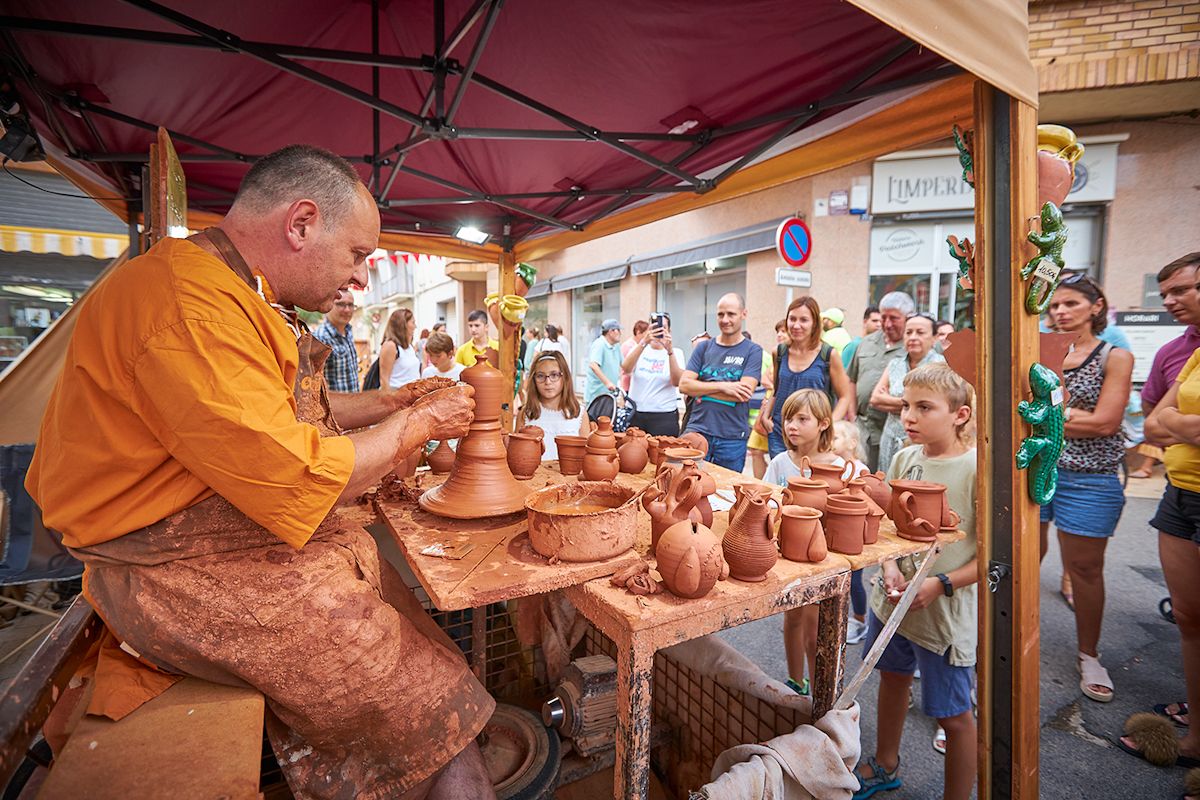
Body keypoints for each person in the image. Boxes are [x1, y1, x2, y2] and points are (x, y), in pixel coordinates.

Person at [25, 144, 495, 798]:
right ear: (300, 224)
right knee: (401, 689)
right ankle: (434, 758)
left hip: (224, 537)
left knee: (385, 590)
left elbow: (291, 415)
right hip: (165, 567)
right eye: (358, 255)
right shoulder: (185, 305)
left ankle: (426, 747)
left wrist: (389, 401)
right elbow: (301, 472)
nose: (361, 278)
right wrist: (417, 425)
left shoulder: (233, 287)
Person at [854, 364, 977, 800]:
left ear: (960, 414)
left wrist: (940, 584)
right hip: (893, 603)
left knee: (954, 714)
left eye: (924, 407)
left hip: (942, 616)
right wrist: (888, 567)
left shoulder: (975, 469)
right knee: (892, 677)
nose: (909, 416)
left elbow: (993, 558)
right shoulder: (905, 458)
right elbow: (890, 529)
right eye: (906, 406)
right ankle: (885, 763)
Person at [1038, 273, 1133, 704]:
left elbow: (1107, 422)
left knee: (1085, 570)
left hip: (1090, 479)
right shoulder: (1038, 351)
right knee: (1019, 561)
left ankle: (1089, 654)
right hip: (1036, 470)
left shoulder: (1115, 356)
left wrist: (1049, 417)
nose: (1059, 312)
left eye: (1071, 304)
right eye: (1055, 305)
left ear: (1096, 307)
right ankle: (1004, 642)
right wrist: (1072, 417)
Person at [1139, 317, 1200, 771]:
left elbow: (1169, 422)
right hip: (1180, 490)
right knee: (1189, 616)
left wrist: (1179, 422)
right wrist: (1185, 425)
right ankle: (1196, 734)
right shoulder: (1194, 354)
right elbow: (1155, 425)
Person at [763, 389, 843, 692]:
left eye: (801, 419)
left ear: (823, 424)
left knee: (815, 631)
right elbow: (769, 502)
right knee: (792, 620)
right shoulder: (781, 462)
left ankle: (822, 690)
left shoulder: (838, 465)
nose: (791, 425)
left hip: (820, 560)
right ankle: (796, 681)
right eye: (787, 418)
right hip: (788, 557)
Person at [757, 296, 853, 460]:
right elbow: (778, 389)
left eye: (804, 320)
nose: (796, 325)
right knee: (781, 481)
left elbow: (845, 396)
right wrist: (766, 416)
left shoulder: (828, 355)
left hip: (813, 436)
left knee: (809, 482)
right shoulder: (779, 352)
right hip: (781, 431)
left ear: (815, 323)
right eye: (792, 319)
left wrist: (828, 425)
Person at [679, 293, 763, 472]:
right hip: (697, 430)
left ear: (743, 314)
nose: (725, 319)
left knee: (725, 494)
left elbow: (744, 393)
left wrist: (700, 388)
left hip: (732, 437)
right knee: (686, 489)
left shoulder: (752, 350)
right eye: (720, 314)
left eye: (731, 314)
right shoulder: (704, 347)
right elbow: (684, 386)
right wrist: (725, 386)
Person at [1136, 253, 1200, 479]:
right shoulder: (1170, 352)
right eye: (1164, 295)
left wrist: (1174, 423)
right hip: (1179, 487)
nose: (1167, 302)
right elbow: (1152, 428)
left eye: (1180, 290)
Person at [870, 313, 945, 475]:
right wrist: (917, 404)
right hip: (891, 437)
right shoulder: (895, 364)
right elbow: (875, 399)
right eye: (909, 332)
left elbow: (937, 403)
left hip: (923, 440)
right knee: (887, 485)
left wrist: (890, 400)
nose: (913, 337)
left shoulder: (941, 367)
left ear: (934, 338)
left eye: (920, 332)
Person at [848, 292, 915, 470]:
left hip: (894, 431)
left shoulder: (914, 346)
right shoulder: (866, 342)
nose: (887, 324)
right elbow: (852, 380)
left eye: (894, 318)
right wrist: (852, 415)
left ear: (908, 317)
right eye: (883, 317)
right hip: (862, 428)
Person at [833, 419, 871, 645]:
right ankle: (843, 620)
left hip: (857, 534)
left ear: (852, 442)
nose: (831, 443)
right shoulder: (835, 465)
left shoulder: (860, 470)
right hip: (842, 531)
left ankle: (860, 620)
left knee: (856, 581)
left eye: (836, 438)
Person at [517, 351, 589, 458]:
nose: (548, 382)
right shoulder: (526, 414)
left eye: (554, 375)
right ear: (533, 379)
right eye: (540, 376)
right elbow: (517, 453)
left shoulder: (579, 414)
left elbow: (587, 455)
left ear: (564, 377)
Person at [624, 315, 684, 437]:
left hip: (664, 414)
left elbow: (676, 382)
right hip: (637, 412)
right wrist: (643, 342)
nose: (658, 331)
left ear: (669, 331)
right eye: (654, 327)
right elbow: (626, 368)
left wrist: (669, 351)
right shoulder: (639, 349)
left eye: (663, 328)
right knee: (633, 452)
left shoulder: (676, 353)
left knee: (662, 453)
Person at [748, 320, 787, 478]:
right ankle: (762, 484)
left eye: (784, 331)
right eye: (778, 331)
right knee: (756, 449)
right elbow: (766, 379)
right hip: (768, 408)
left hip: (781, 410)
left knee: (779, 457)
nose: (780, 334)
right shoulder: (776, 354)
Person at [312, 291, 360, 392]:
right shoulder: (320, 338)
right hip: (336, 406)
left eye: (350, 305)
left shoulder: (348, 332)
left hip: (353, 404)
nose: (347, 310)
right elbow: (314, 384)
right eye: (341, 304)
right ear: (329, 304)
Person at [584, 318, 623, 412]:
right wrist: (607, 383)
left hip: (609, 396)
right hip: (596, 396)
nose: (620, 333)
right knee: (594, 424)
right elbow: (593, 365)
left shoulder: (616, 346)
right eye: (619, 330)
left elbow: (624, 365)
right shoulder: (599, 344)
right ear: (611, 331)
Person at [378, 307, 421, 389]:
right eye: (413, 322)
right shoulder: (390, 346)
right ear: (403, 324)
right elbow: (384, 379)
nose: (415, 326)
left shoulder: (409, 346)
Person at [620, 320, 649, 392]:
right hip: (628, 387)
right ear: (638, 332)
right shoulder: (628, 346)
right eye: (646, 334)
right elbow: (625, 367)